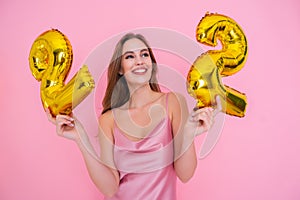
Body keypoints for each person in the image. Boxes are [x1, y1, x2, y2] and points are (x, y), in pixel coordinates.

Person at [46, 33, 222, 200]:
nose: (139, 61)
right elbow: (110, 188)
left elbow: (185, 174)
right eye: (130, 56)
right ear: (120, 69)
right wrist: (80, 137)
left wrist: (189, 133)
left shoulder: (173, 103)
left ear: (151, 63)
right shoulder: (108, 119)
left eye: (144, 54)